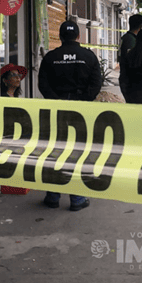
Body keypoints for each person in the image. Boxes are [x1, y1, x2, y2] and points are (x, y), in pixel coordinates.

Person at [38, 20, 103, 211]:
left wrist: (57, 101)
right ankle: (77, 199)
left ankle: (52, 197)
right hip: (80, 112)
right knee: (77, 153)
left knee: (55, 152)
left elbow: (43, 84)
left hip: (56, 111)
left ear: (60, 36)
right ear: (78, 36)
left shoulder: (51, 57)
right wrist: (83, 101)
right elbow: (96, 83)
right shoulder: (88, 56)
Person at [118, 14, 142, 100]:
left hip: (127, 79)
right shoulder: (131, 40)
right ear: (140, 27)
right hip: (131, 81)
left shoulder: (127, 38)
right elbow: (134, 61)